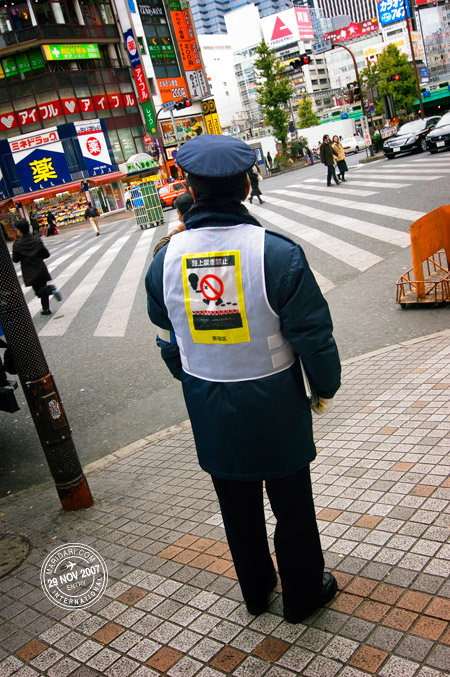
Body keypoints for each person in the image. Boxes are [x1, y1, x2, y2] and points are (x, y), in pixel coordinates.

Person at [145, 134, 341, 623]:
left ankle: (256, 592)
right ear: (248, 184)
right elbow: (313, 335)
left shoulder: (163, 262)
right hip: (276, 404)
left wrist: (191, 379)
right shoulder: (277, 254)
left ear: (188, 186)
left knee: (236, 506)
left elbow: (170, 337)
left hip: (210, 407)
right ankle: (302, 595)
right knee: (292, 503)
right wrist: (325, 386)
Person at [12, 219, 61, 316]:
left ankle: (50, 289)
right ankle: (46, 309)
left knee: (39, 292)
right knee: (42, 287)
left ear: (19, 230)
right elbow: (46, 254)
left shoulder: (17, 244)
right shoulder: (36, 240)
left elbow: (15, 259)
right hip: (41, 268)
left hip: (29, 271)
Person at [153, 191, 193, 257]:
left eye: (178, 213)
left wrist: (177, 230)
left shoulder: (179, 236)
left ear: (182, 215)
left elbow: (158, 250)